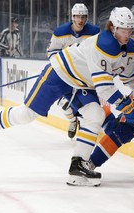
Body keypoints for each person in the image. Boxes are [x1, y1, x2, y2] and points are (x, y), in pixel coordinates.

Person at [0, 7, 134, 187]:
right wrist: (127, 106)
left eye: (130, 29)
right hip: (60, 74)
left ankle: (78, 167)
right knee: (26, 114)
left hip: (81, 83)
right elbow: (104, 89)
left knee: (96, 115)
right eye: (123, 29)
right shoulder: (105, 44)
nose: (127, 34)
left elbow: (132, 79)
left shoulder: (129, 48)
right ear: (113, 28)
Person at [47, 3, 100, 139]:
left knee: (86, 104)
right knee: (64, 103)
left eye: (83, 17)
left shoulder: (94, 32)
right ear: (73, 17)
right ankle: (72, 121)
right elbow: (52, 52)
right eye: (77, 17)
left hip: (84, 76)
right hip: (65, 75)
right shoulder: (60, 32)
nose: (80, 20)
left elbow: (99, 52)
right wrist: (60, 67)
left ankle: (83, 126)